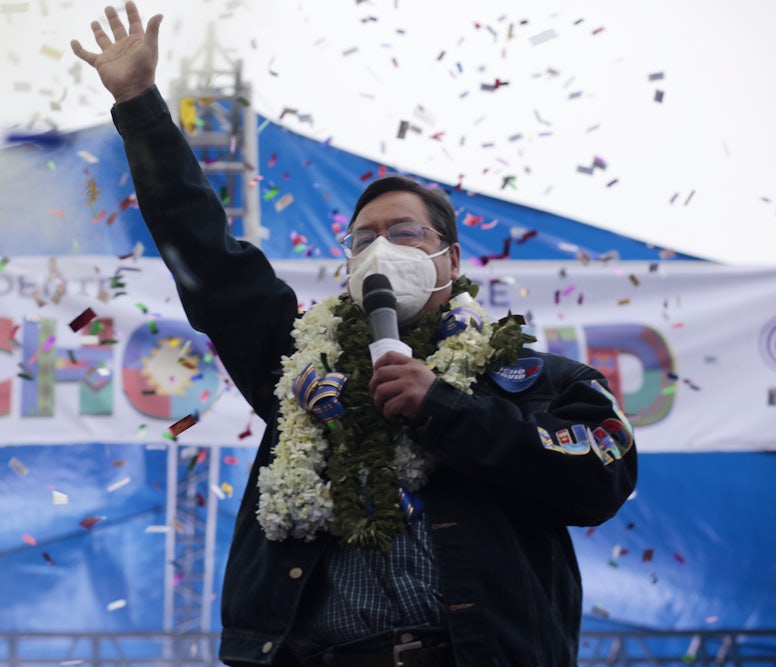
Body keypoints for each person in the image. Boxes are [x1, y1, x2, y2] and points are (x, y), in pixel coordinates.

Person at [71, 4, 638, 666]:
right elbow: (212, 260)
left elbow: (604, 476)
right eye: (363, 239)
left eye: (404, 233)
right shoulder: (300, 370)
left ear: (451, 262)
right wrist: (139, 103)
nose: (380, 249)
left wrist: (444, 409)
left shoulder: (542, 380)